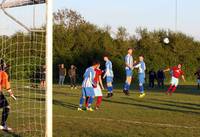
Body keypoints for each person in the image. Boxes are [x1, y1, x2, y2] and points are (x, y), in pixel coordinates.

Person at [0, 65, 16, 131]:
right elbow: (7, 86)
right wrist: (11, 94)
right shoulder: (3, 73)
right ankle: (2, 125)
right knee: (7, 107)